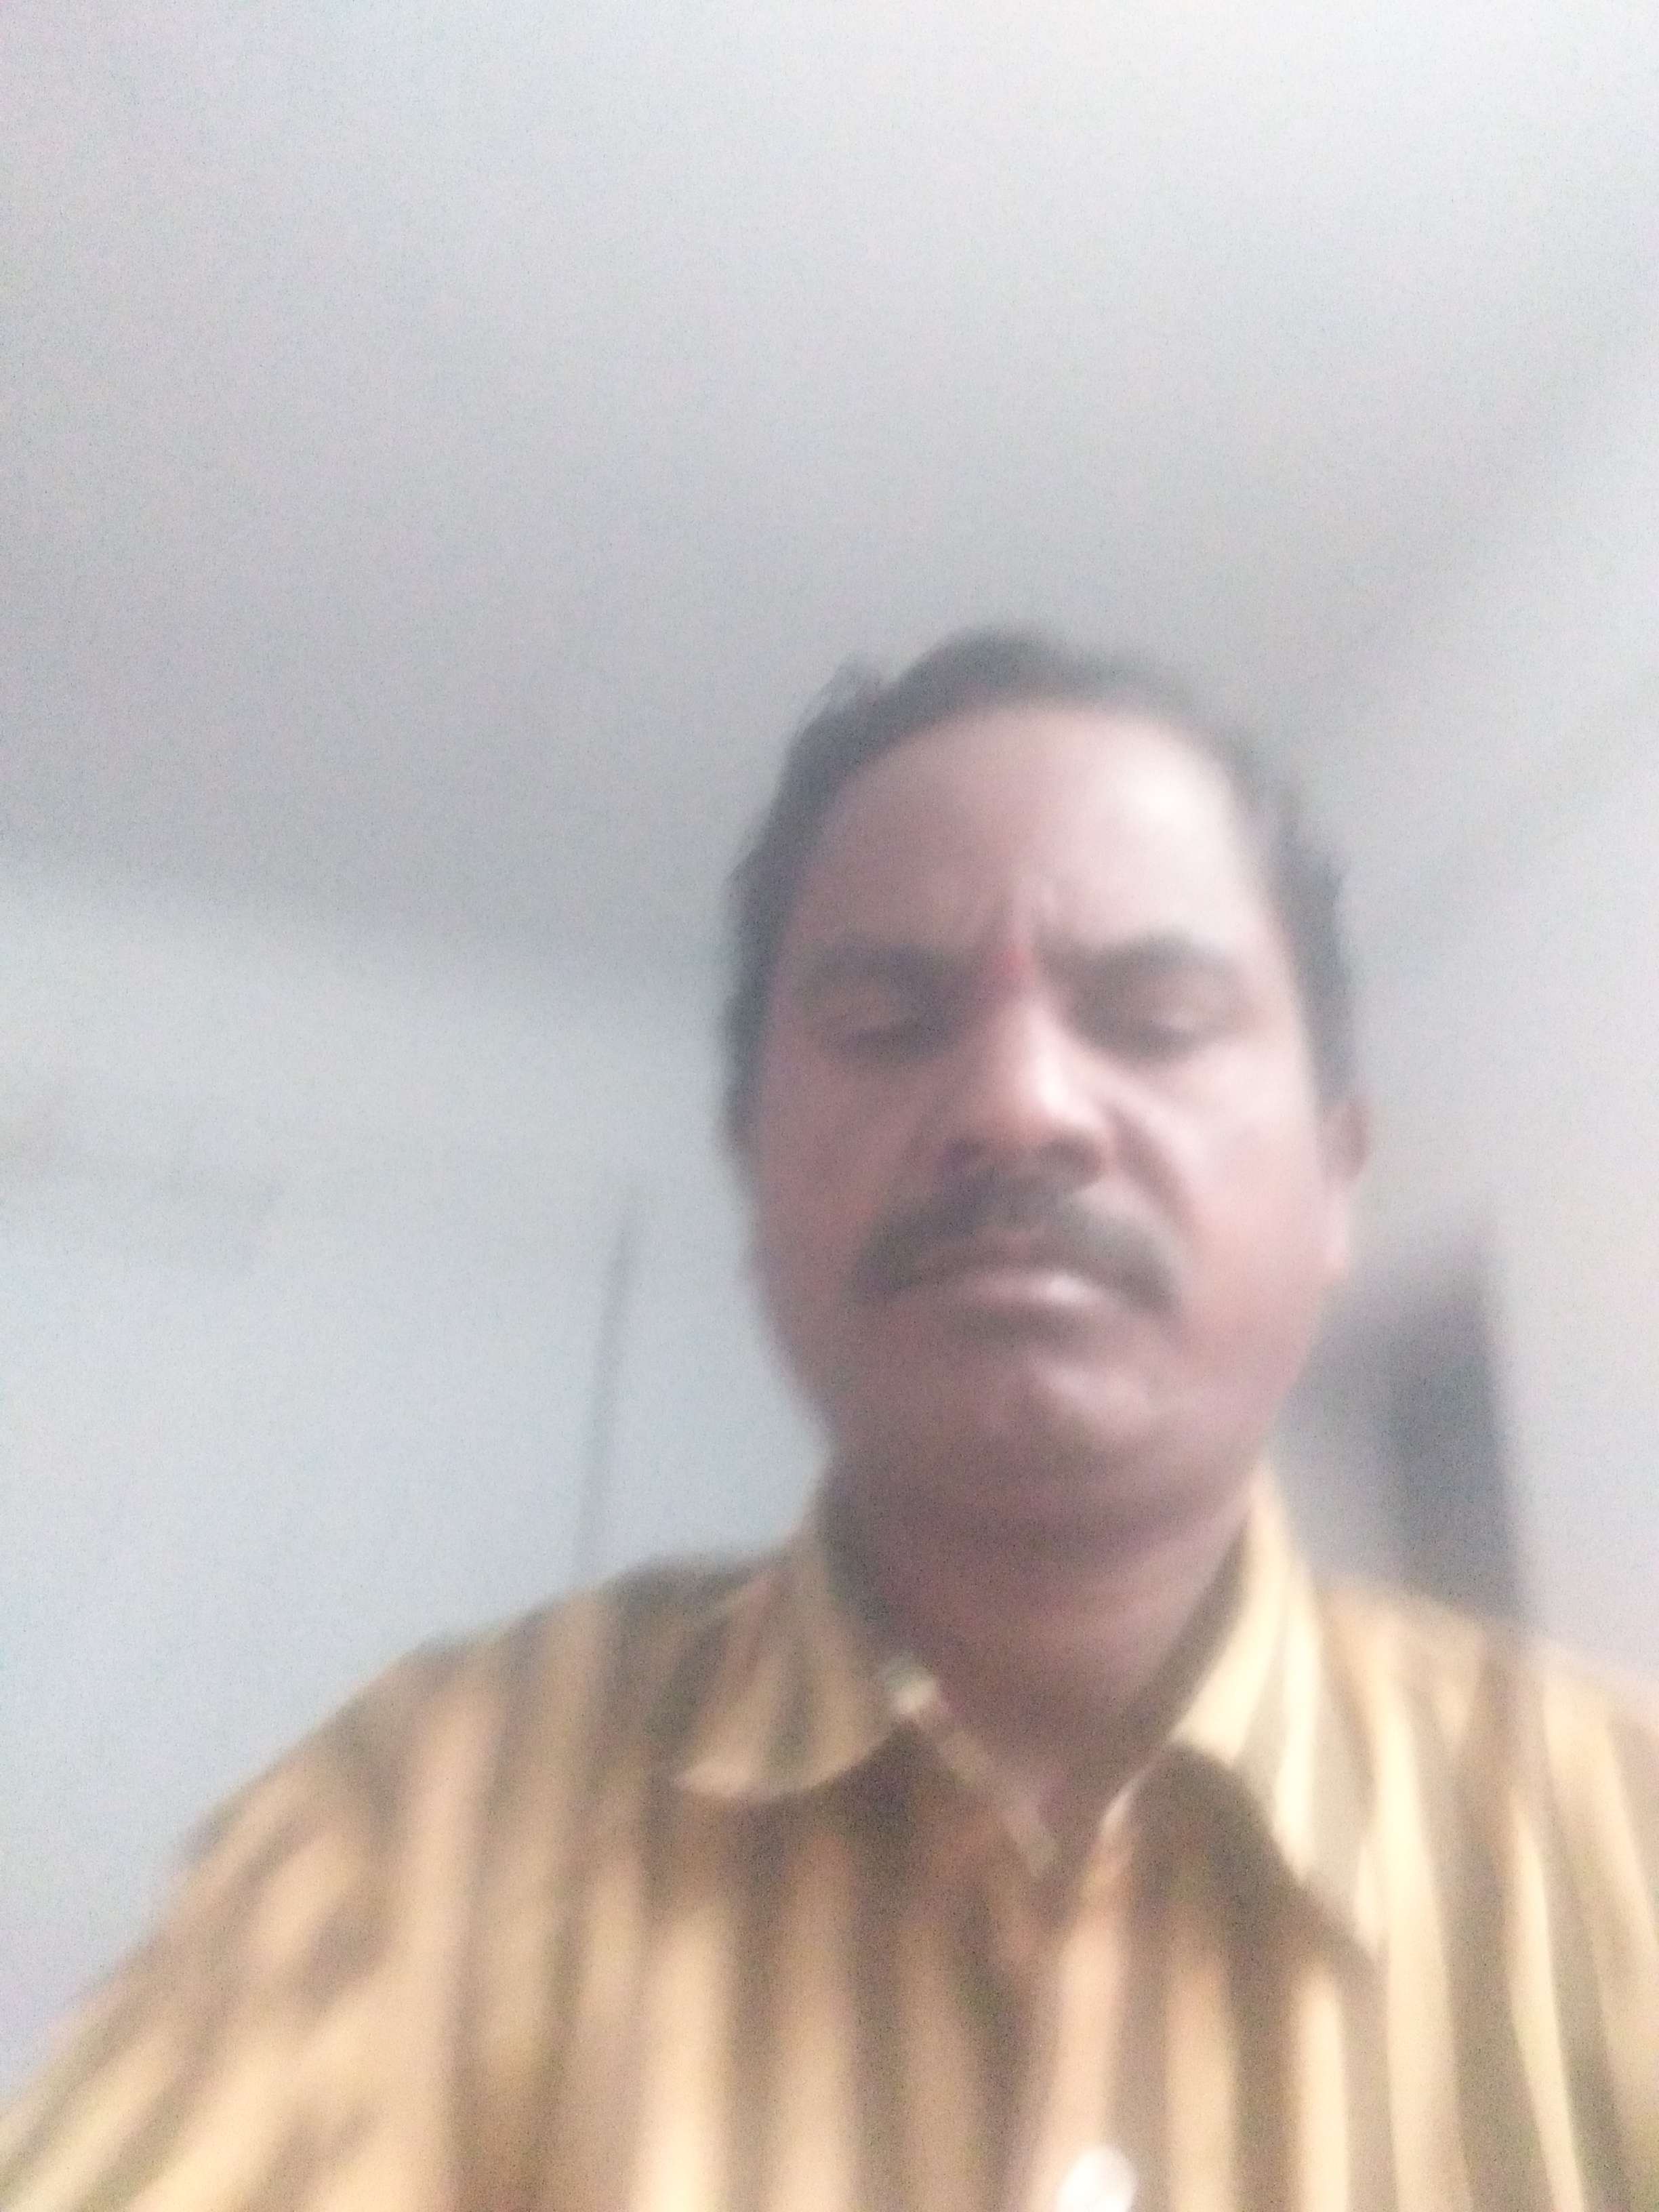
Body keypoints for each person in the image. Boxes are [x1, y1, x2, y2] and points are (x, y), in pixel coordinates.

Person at [3, 628, 1655, 2211]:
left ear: (1336, 1182)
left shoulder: (1621, 1848)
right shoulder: (411, 1827)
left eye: (1153, 1021)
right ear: (754, 1174)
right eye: (885, 1023)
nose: (1018, 1102)